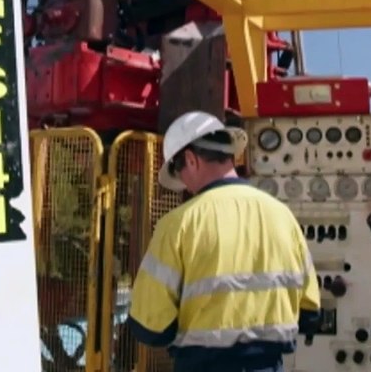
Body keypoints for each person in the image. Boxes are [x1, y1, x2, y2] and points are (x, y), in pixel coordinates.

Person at [127, 110, 322, 372]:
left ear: (191, 159)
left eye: (178, 171)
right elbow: (310, 314)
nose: (184, 184)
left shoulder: (178, 225)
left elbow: (149, 327)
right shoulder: (283, 217)